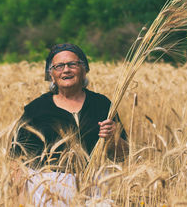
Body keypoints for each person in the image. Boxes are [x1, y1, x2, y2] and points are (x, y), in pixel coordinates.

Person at [10, 43, 128, 206]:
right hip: (48, 193)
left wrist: (113, 137)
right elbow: (17, 160)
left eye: (72, 64)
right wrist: (20, 201)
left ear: (84, 69)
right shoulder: (36, 110)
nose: (66, 70)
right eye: (59, 66)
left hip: (95, 190)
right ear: (51, 75)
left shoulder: (102, 105)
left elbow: (123, 155)